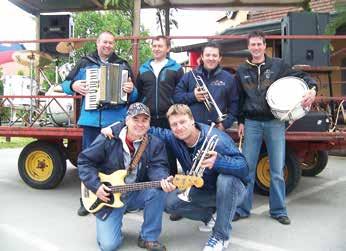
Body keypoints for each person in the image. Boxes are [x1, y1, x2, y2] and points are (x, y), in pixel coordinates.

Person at [102, 104, 249, 251]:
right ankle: (211, 216)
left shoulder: (218, 139)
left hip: (233, 191)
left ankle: (221, 236)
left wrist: (218, 162)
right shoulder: (174, 137)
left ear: (192, 120)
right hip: (204, 188)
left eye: (183, 122)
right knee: (169, 202)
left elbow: (244, 167)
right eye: (174, 124)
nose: (179, 127)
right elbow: (144, 128)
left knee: (226, 179)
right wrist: (117, 127)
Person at [234, 30, 317, 225]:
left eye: (259, 44)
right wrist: (240, 121)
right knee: (247, 168)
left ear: (265, 45)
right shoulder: (241, 70)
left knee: (277, 169)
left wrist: (312, 89)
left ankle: (278, 210)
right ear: (249, 46)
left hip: (274, 122)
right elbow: (239, 98)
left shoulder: (278, 65)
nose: (256, 48)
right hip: (252, 123)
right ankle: (243, 208)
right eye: (252, 44)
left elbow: (302, 76)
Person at [78, 102, 174, 251]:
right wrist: (96, 186)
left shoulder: (155, 144)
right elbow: (85, 161)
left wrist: (163, 178)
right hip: (108, 197)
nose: (140, 124)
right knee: (109, 246)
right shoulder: (108, 138)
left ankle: (148, 237)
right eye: (136, 119)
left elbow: (158, 167)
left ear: (149, 123)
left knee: (158, 190)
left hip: (134, 193)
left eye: (145, 120)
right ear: (127, 120)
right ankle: (111, 223)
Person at [61, 31, 138, 216]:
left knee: (114, 162)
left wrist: (131, 90)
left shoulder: (122, 64)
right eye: (105, 42)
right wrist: (73, 87)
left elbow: (134, 95)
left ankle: (114, 197)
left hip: (116, 122)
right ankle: (86, 199)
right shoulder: (84, 62)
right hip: (91, 121)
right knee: (88, 161)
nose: (108, 45)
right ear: (98, 43)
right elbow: (65, 84)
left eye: (111, 43)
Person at [136, 35, 184, 175]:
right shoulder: (144, 69)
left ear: (167, 48)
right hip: (148, 118)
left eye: (160, 46)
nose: (156, 49)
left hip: (169, 118)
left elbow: (180, 93)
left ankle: (171, 184)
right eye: (154, 46)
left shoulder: (176, 68)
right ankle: (148, 185)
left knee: (169, 152)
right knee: (147, 152)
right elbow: (138, 94)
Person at [173, 42, 238, 131]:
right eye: (207, 55)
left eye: (214, 55)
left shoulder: (228, 78)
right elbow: (176, 97)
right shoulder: (190, 76)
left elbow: (235, 103)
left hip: (216, 128)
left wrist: (225, 124)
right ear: (202, 57)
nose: (211, 58)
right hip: (192, 128)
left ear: (220, 58)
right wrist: (193, 96)